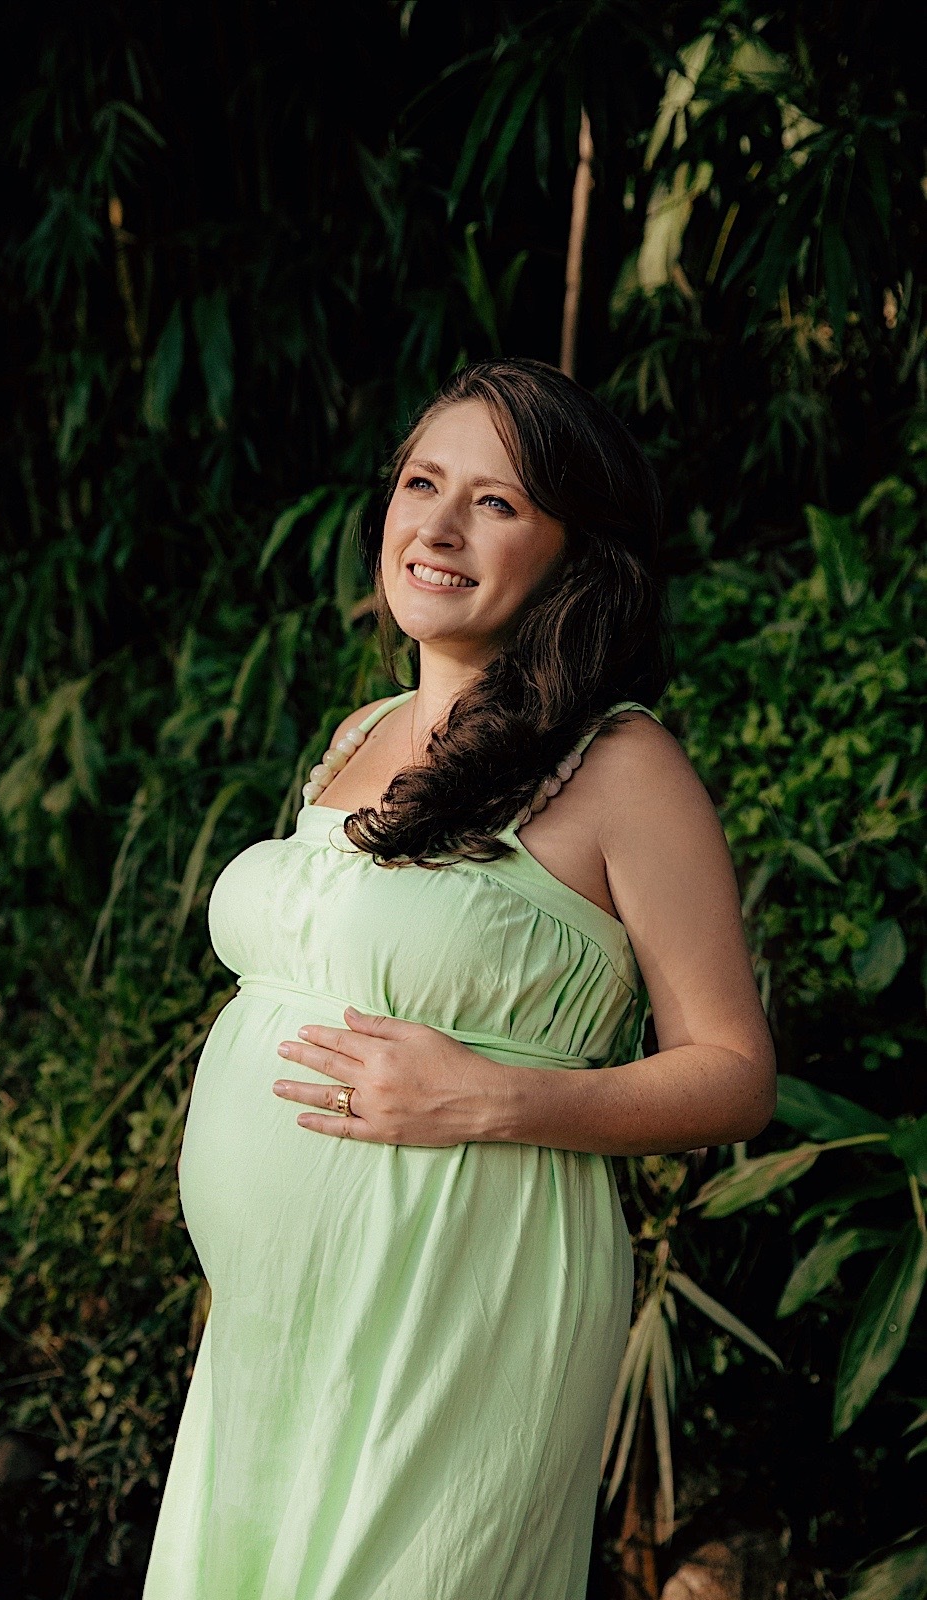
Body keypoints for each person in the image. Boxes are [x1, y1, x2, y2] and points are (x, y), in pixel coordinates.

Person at [142, 358, 776, 1600]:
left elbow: (734, 1075)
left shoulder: (623, 763)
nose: (432, 526)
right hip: (278, 1331)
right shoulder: (356, 733)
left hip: (463, 1294)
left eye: (493, 502)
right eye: (421, 482)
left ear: (574, 552)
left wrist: (490, 1098)